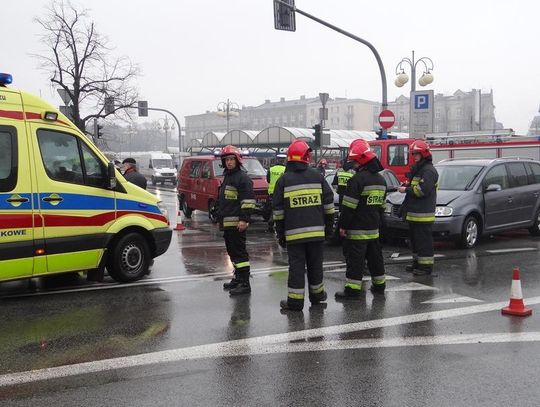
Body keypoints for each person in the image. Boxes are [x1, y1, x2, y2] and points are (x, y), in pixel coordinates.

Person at [272, 140, 335, 311]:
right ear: (306, 157)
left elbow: (278, 212)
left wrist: (281, 233)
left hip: (294, 235)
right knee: (316, 265)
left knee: (297, 268)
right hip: (316, 234)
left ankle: (295, 302)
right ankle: (317, 297)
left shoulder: (284, 180)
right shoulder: (318, 177)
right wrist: (328, 229)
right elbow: (329, 207)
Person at [336, 139, 388, 298]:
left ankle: (352, 290)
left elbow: (348, 208)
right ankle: (380, 285)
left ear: (362, 161)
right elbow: (382, 208)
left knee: (355, 261)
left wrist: (343, 226)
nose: (354, 165)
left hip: (357, 229)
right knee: (375, 259)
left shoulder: (357, 180)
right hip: (373, 229)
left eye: (355, 161)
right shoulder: (381, 180)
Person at [397, 139, 439, 276]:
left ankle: (426, 267)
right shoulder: (419, 169)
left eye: (417, 154)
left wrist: (406, 190)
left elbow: (422, 190)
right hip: (414, 213)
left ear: (424, 154)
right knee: (414, 241)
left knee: (424, 242)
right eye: (413, 154)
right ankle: (417, 263)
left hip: (423, 214)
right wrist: (407, 185)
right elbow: (415, 185)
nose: (414, 157)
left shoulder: (429, 171)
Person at [219, 145, 256, 295]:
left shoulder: (242, 178)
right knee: (232, 252)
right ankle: (237, 278)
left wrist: (244, 219)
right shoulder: (228, 176)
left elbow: (248, 201)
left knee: (240, 254)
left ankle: (244, 283)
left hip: (237, 224)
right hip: (228, 223)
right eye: (226, 159)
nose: (228, 162)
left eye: (231, 159)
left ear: (237, 160)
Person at [266, 153, 287, 232]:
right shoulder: (286, 170)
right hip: (282, 192)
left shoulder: (271, 169)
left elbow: (268, 180)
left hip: (272, 193)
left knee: (273, 208)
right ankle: (280, 225)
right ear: (284, 161)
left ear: (277, 160)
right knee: (281, 209)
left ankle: (270, 223)